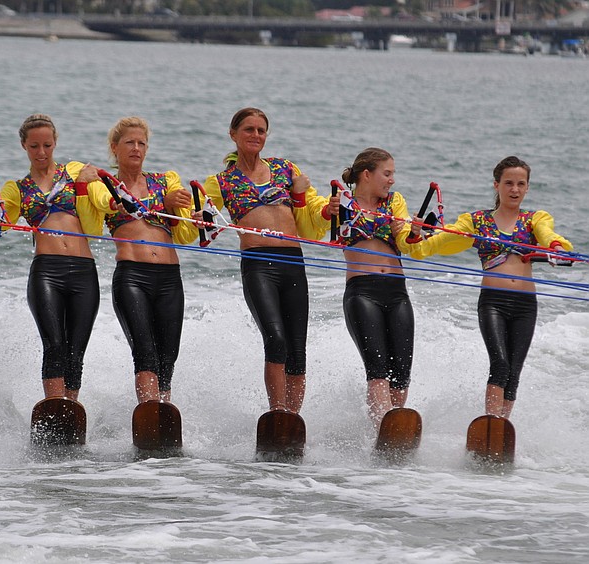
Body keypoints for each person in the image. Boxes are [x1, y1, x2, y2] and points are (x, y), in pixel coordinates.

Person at [408, 156, 572, 419]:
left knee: (514, 370)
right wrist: (417, 233)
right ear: (496, 185)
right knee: (500, 364)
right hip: (493, 302)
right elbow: (434, 243)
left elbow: (549, 236)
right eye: (508, 183)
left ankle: (501, 427)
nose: (514, 189)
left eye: (520, 184)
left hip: (525, 305)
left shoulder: (535, 219)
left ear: (527, 187)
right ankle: (491, 422)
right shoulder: (476, 222)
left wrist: (556, 248)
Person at [202, 107, 336, 414]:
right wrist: (194, 216)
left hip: (293, 262)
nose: (256, 135)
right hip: (258, 264)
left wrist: (325, 209)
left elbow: (310, 211)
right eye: (249, 129)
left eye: (261, 130)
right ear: (233, 134)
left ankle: (293, 418)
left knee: (297, 350)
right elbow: (197, 216)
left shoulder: (285, 168)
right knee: (276, 340)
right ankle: (277, 412)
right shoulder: (221, 181)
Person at [0, 114, 104, 401]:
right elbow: (3, 218)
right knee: (54, 345)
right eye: (34, 146)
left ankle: (71, 408)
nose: (41, 152)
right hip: (47, 271)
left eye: (47, 145)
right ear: (24, 145)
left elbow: (95, 221)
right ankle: (53, 404)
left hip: (84, 270)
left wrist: (89, 184)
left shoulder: (74, 172)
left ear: (55, 143)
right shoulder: (17, 188)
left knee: (76, 350)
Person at [87, 116, 197, 404]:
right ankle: (149, 409)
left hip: (170, 278)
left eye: (141, 143)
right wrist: (163, 204)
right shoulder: (105, 185)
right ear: (115, 147)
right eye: (129, 143)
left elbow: (185, 234)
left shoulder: (164, 181)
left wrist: (195, 218)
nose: (136, 148)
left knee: (168, 357)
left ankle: (164, 412)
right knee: (145, 353)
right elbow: (97, 206)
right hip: (132, 277)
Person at [334, 147, 418, 428]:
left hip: (397, 292)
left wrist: (411, 232)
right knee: (378, 370)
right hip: (362, 292)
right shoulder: (341, 203)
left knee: (402, 373)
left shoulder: (395, 202)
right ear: (367, 175)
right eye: (387, 173)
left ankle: (395, 428)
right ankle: (381, 426)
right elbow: (314, 221)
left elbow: (406, 242)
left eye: (393, 174)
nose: (392, 180)